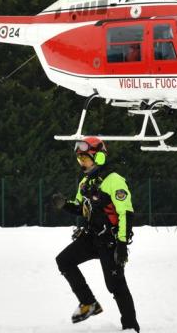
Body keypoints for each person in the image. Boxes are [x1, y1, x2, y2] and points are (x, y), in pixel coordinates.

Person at [52, 136, 139, 332]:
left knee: (115, 285)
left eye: (85, 158)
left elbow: (126, 212)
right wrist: (65, 204)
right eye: (80, 159)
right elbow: (81, 208)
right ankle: (88, 303)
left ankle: (131, 326)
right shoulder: (84, 183)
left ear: (98, 157)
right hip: (92, 237)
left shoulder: (113, 180)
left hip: (111, 241)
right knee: (64, 260)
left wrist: (122, 245)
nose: (82, 162)